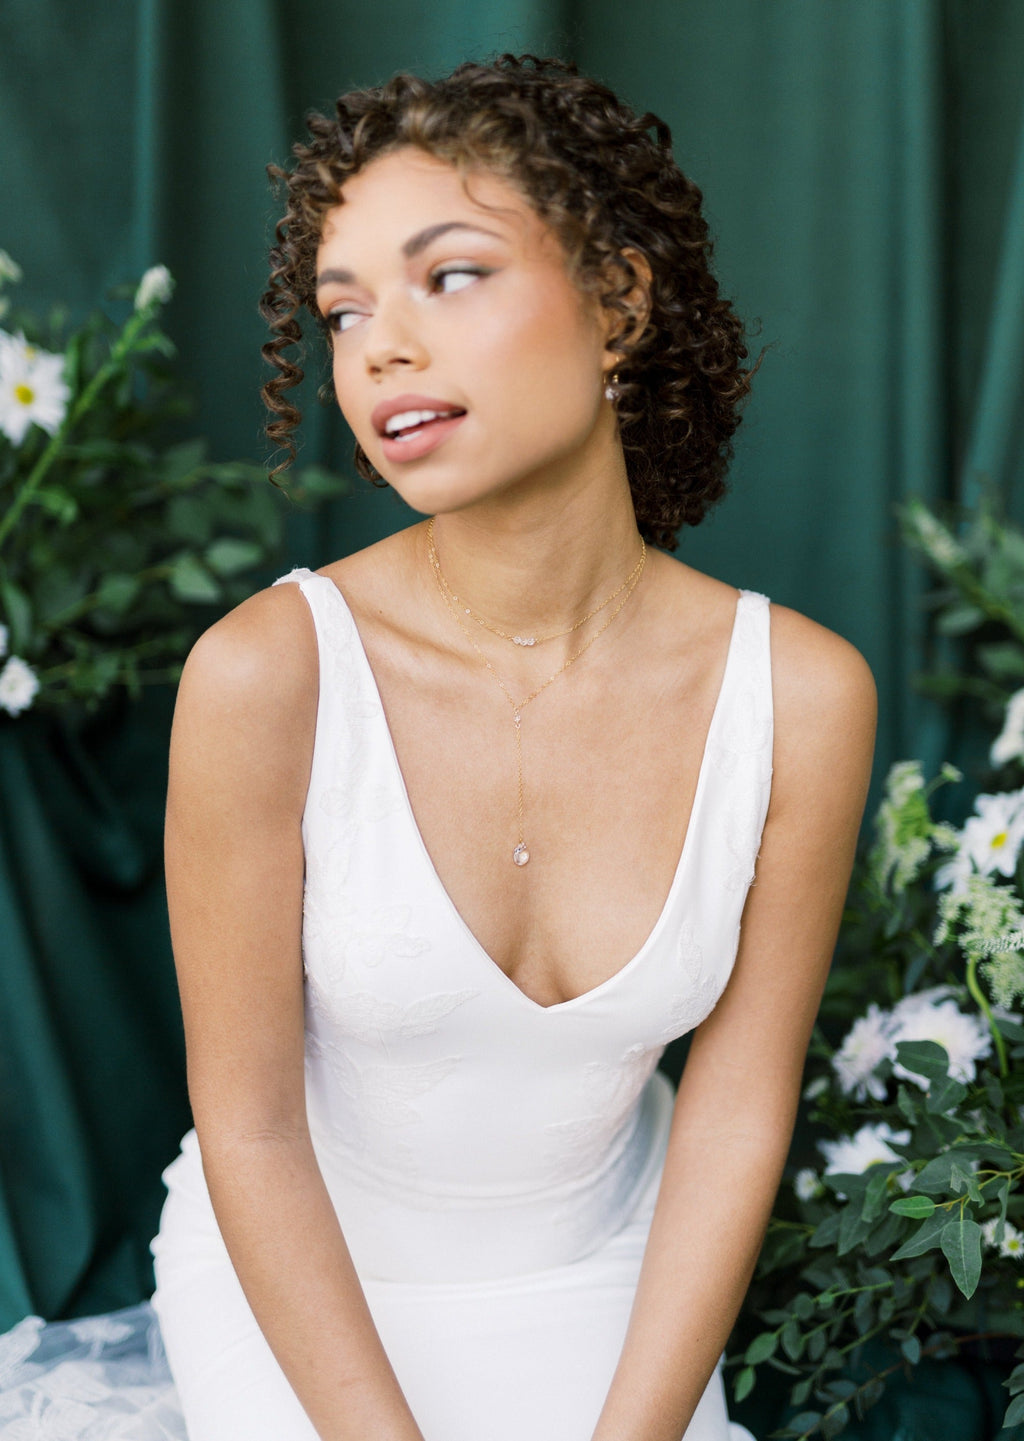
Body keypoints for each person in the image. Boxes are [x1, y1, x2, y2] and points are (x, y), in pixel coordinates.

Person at [149, 52, 876, 1441]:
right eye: (343, 306)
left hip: (615, 1295)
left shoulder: (803, 694)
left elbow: (730, 1117)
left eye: (452, 274)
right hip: (301, 1295)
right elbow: (246, 1127)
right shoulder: (266, 676)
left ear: (619, 299)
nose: (381, 345)